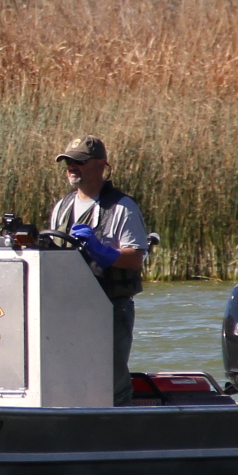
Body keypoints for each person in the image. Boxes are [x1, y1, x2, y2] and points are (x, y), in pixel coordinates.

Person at [47, 135, 148, 404]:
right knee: (68, 373)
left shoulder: (123, 207)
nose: (71, 167)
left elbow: (136, 257)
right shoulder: (62, 207)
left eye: (79, 161)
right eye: (68, 161)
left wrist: (103, 252)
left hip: (111, 308)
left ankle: (121, 420)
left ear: (102, 165)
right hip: (68, 307)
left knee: (110, 376)